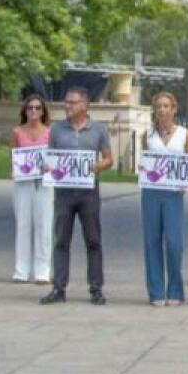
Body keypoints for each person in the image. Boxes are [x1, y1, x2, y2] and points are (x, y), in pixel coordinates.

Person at [40, 87, 113, 306]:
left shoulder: (98, 129)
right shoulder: (56, 130)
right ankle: (58, 287)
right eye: (66, 102)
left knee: (93, 240)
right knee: (61, 240)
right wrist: (46, 167)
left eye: (72, 103)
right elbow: (49, 157)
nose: (67, 106)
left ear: (84, 105)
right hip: (63, 192)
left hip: (88, 191)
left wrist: (95, 166)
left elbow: (109, 159)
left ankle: (96, 288)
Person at [141, 91, 188, 306]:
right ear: (155, 109)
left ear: (173, 109)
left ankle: (175, 288)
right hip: (151, 192)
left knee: (174, 243)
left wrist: (185, 180)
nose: (162, 110)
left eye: (166, 106)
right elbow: (145, 159)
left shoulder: (185, 134)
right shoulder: (148, 135)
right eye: (159, 106)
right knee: (151, 241)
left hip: (174, 194)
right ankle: (155, 291)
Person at [11, 94, 52, 285]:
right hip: (23, 183)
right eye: (30, 108)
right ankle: (21, 270)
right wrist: (14, 169)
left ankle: (42, 270)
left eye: (37, 108)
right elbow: (14, 156)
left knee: (44, 225)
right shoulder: (17, 131)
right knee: (23, 224)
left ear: (43, 111)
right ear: (25, 111)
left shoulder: (50, 133)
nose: (34, 111)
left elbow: (54, 159)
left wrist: (49, 167)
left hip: (44, 183)